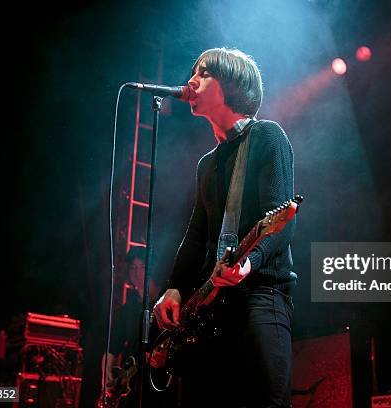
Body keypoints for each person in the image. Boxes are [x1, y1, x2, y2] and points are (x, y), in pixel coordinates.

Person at [152, 47, 296, 407]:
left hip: (261, 294)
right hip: (211, 307)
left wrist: (250, 262)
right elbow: (196, 235)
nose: (191, 80)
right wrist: (174, 289)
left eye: (203, 73)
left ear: (231, 83)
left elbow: (280, 223)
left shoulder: (268, 138)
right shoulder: (207, 165)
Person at [100, 247, 159, 407]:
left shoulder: (161, 302)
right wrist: (107, 376)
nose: (136, 272)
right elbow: (113, 346)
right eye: (133, 267)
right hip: (131, 378)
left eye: (142, 267)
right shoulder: (129, 307)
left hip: (155, 377)